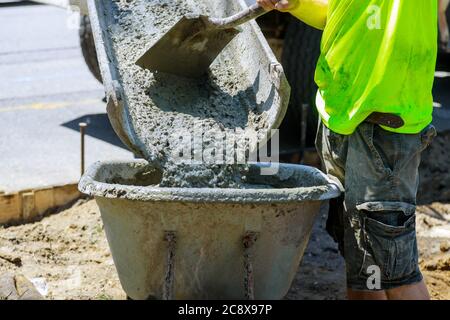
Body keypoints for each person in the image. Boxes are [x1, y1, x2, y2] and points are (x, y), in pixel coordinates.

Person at [257, 0, 437, 300]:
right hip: (338, 118)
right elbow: (335, 12)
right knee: (365, 271)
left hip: (383, 127)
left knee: (394, 274)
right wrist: (297, 5)